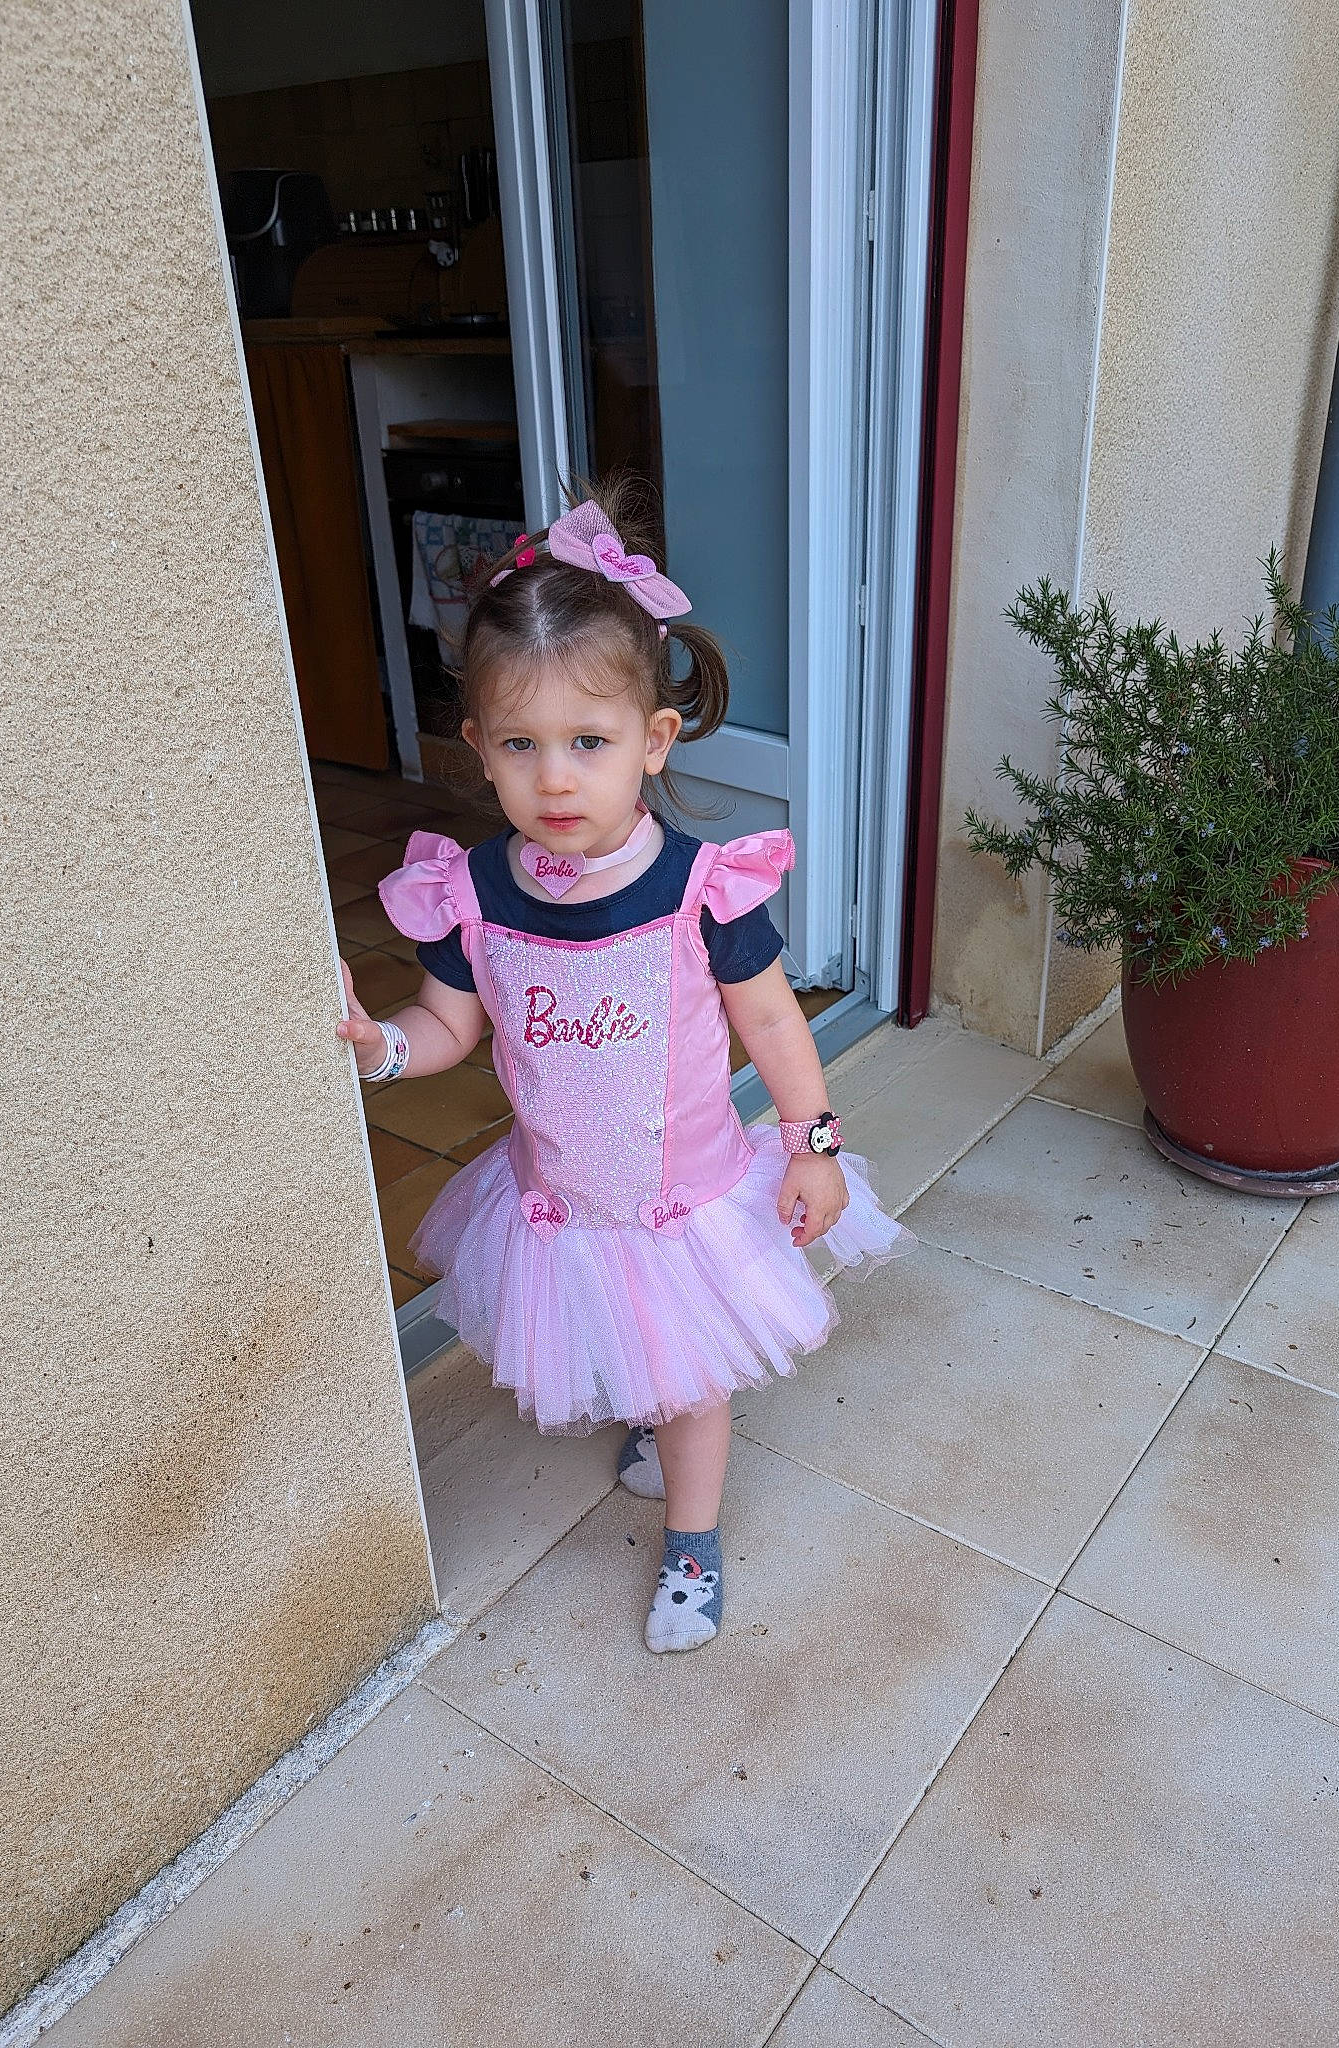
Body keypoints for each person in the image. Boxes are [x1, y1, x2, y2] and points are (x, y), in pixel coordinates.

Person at [338, 483, 912, 1653]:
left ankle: (694, 1542)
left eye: (589, 744)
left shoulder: (702, 886)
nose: (556, 779)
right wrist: (385, 1048)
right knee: (630, 1339)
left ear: (652, 740)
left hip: (683, 1197)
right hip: (562, 1198)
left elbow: (774, 1026)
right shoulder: (476, 891)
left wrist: (815, 1144)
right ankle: (657, 1422)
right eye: (522, 745)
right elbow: (453, 1025)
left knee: (693, 1373)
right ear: (479, 749)